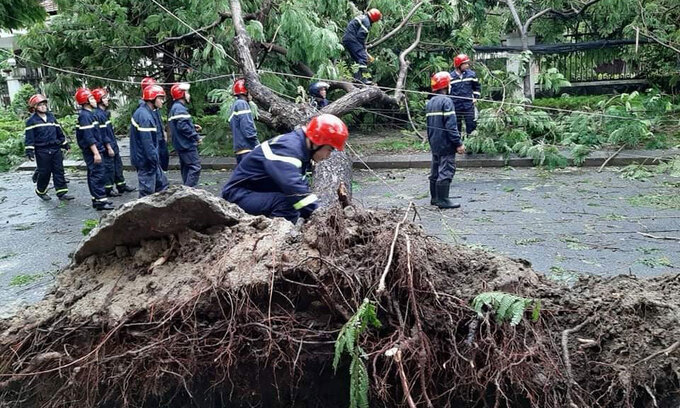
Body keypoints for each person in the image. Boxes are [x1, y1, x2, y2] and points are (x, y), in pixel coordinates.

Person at [222, 114, 348, 223]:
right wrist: (320, 216)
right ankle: (276, 242)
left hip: (253, 192)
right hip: (237, 195)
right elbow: (294, 188)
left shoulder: (299, 147)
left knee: (293, 203)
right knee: (288, 204)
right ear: (318, 142)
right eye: (329, 150)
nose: (328, 156)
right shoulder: (289, 149)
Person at [24, 94, 74, 201]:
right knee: (45, 172)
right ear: (35, 107)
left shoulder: (51, 117)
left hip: (55, 149)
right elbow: (29, 138)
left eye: (44, 104)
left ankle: (61, 193)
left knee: (59, 170)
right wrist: (29, 151)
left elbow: (59, 132)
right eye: (40, 105)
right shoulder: (31, 121)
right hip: (42, 150)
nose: (43, 107)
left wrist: (65, 144)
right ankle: (41, 191)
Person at [427, 72, 465, 209]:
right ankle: (443, 200)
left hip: (434, 141)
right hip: (446, 142)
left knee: (435, 169)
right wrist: (458, 143)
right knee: (446, 169)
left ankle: (435, 198)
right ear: (446, 86)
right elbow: (451, 126)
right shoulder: (447, 101)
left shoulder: (430, 102)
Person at [74, 88, 114, 210]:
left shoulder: (91, 115)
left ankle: (97, 199)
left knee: (95, 174)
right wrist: (96, 153)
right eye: (91, 98)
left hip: (97, 148)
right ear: (85, 101)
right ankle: (101, 201)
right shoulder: (85, 117)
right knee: (97, 174)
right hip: (92, 151)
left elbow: (99, 134)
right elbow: (88, 137)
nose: (94, 100)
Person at [92, 88, 136, 196]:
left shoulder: (104, 113)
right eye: (104, 98)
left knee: (118, 166)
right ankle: (108, 189)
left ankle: (121, 185)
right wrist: (108, 147)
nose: (107, 99)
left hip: (112, 144)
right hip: (107, 146)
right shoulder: (98, 115)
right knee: (109, 168)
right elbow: (102, 134)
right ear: (99, 100)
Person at [130, 84, 169, 197]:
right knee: (147, 193)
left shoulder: (147, 112)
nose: (162, 101)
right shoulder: (145, 116)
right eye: (160, 98)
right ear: (152, 99)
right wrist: (154, 159)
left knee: (162, 186)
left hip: (150, 161)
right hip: (146, 162)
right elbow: (147, 143)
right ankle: (141, 213)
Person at [168, 82, 202, 187]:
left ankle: (186, 192)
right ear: (181, 94)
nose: (189, 95)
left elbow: (181, 124)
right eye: (186, 92)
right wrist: (196, 136)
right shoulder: (179, 108)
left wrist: (192, 126)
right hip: (186, 145)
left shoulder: (175, 108)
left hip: (181, 144)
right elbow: (182, 126)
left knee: (186, 168)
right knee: (195, 167)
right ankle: (188, 192)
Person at [342, 8, 381, 85]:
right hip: (352, 39)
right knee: (363, 57)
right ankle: (363, 80)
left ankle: (357, 80)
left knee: (358, 59)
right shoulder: (367, 22)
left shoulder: (363, 17)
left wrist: (363, 47)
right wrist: (363, 48)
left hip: (348, 39)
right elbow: (360, 36)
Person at [140, 77, 169, 171]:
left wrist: (163, 131)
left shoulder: (154, 105)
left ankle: (162, 178)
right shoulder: (144, 107)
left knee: (164, 158)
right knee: (158, 161)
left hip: (159, 136)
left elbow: (158, 120)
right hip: (155, 138)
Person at [449, 53, 481, 136]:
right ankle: (457, 144)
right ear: (459, 65)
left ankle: (470, 144)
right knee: (456, 125)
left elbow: (477, 88)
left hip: (468, 104)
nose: (467, 65)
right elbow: (448, 92)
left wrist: (476, 98)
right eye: (465, 64)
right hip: (456, 105)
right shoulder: (450, 77)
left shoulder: (471, 75)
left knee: (471, 125)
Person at [229, 78, 259, 164]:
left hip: (241, 150)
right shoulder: (242, 104)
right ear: (245, 91)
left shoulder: (235, 105)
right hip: (247, 150)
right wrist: (257, 144)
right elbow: (247, 128)